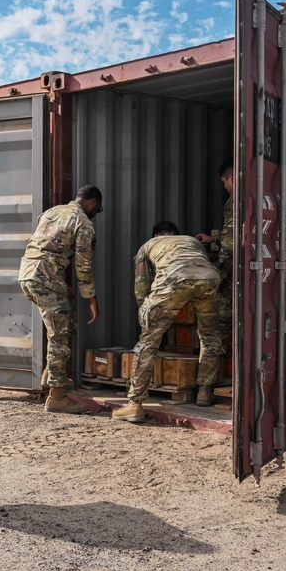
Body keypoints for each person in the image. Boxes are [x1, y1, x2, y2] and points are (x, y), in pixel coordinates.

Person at [112, 222, 226, 422]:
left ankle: (134, 403)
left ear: (155, 236)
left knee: (148, 342)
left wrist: (148, 316)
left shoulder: (147, 246)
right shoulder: (191, 242)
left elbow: (141, 287)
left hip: (173, 280)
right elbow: (198, 269)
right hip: (209, 278)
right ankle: (204, 392)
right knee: (210, 337)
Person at [19, 185, 104, 414]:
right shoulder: (83, 223)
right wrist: (92, 299)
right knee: (60, 336)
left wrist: (61, 284)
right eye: (98, 208)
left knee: (64, 323)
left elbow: (46, 247)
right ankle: (57, 396)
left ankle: (51, 375)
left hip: (28, 274)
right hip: (45, 278)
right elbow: (83, 266)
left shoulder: (52, 212)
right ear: (93, 202)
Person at [196, 159, 234, 393]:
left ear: (230, 178)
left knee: (216, 326)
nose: (225, 187)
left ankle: (206, 390)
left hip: (233, 273)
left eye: (223, 182)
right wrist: (214, 240)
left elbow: (231, 242)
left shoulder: (236, 200)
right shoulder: (257, 197)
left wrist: (219, 275)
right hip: (250, 270)